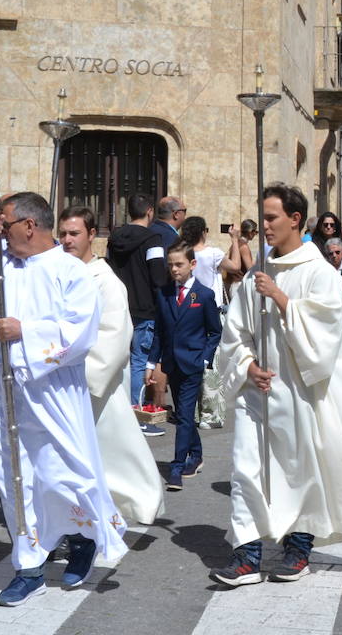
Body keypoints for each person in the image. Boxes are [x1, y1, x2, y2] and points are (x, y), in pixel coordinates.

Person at [0, 192, 126, 606]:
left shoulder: (70, 271)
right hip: (5, 390)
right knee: (15, 479)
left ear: (28, 225)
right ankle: (29, 567)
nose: (0, 233)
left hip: (54, 388)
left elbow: (81, 333)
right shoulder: (0, 265)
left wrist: (27, 332)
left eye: (3, 226)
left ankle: (82, 540)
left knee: (63, 474)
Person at [210, 184, 342, 587]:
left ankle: (297, 550)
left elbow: (327, 335)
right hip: (259, 394)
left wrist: (284, 300)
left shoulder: (318, 272)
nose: (265, 226)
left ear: (295, 220)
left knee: (301, 472)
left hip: (302, 393)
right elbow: (235, 333)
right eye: (264, 217)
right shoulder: (259, 272)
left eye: (272, 218)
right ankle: (247, 557)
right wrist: (248, 365)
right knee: (247, 472)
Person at [56, 207, 165, 525]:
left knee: (107, 459)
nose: (67, 240)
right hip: (60, 385)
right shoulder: (58, 275)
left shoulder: (106, 282)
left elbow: (115, 336)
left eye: (74, 233)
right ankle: (74, 521)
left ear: (92, 235)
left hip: (91, 387)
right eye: (62, 233)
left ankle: (94, 521)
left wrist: (82, 376)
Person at [150, 242, 222, 491]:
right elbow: (159, 331)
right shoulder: (164, 293)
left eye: (179, 264)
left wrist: (204, 358)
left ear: (192, 265)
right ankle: (197, 453)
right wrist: (152, 362)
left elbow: (215, 331)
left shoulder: (203, 295)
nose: (174, 269)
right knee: (182, 412)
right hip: (172, 362)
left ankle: (177, 467)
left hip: (192, 363)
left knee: (183, 417)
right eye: (170, 265)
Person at [106, 193, 170, 437]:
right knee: (140, 362)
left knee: (119, 361)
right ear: (150, 212)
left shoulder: (114, 238)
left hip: (119, 307)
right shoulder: (153, 239)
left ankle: (117, 415)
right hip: (145, 309)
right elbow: (157, 276)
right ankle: (137, 416)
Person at [180, 216, 225, 302]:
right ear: (202, 232)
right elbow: (235, 267)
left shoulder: (181, 253)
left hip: (188, 300)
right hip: (210, 300)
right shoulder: (214, 253)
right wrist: (234, 239)